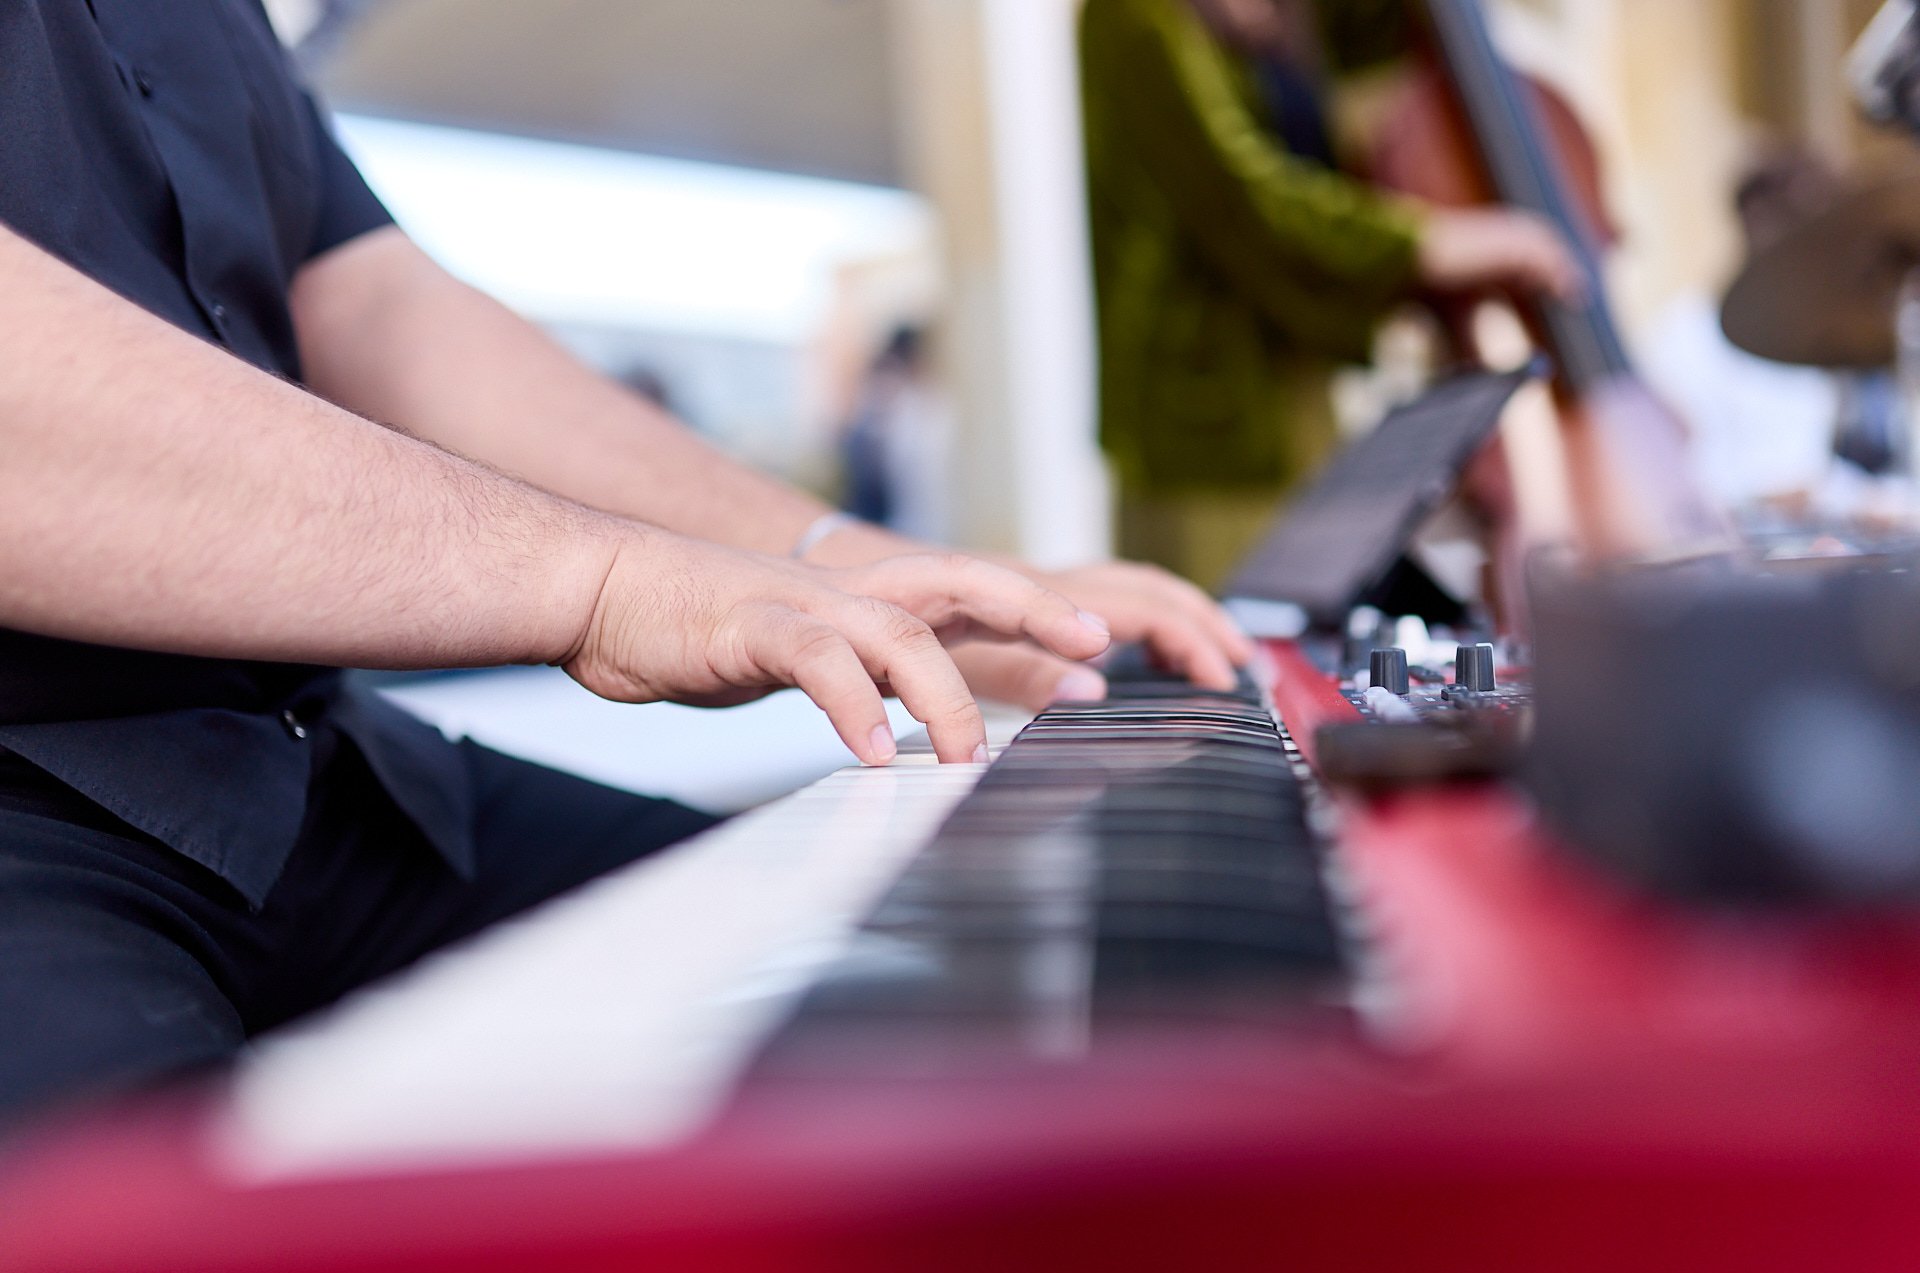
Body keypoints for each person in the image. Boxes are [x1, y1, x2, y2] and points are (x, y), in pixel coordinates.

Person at [0, 1, 1250, 1124]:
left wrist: (863, 566)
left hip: (304, 774)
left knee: (950, 997)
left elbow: (372, 306)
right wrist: (598, 582)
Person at [1080, 0, 1582, 588]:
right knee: (1243, 651)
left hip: (1303, 392)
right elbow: (1244, 204)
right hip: (1210, 420)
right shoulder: (1135, 15)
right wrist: (1431, 243)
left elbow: (1390, 38)